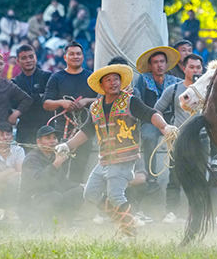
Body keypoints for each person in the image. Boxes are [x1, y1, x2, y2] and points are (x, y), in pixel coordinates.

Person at [57, 63, 178, 237]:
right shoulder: (96, 107)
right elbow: (86, 131)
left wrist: (165, 127)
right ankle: (125, 221)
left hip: (124, 158)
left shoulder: (130, 101)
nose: (113, 83)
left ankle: (130, 231)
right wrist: (67, 145)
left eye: (116, 79)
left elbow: (151, 114)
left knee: (115, 196)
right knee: (90, 193)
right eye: (109, 80)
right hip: (104, 159)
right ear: (101, 85)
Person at [155, 54, 204, 223]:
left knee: (200, 176)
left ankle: (197, 212)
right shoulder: (174, 89)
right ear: (184, 69)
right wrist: (165, 128)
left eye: (198, 67)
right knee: (174, 176)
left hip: (202, 138)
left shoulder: (208, 90)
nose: (195, 70)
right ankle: (172, 212)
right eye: (191, 67)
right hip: (179, 138)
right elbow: (157, 110)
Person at [42, 42, 94, 182]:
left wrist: (86, 101)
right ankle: (59, 197)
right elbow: (46, 104)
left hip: (85, 129)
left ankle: (74, 199)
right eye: (71, 54)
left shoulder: (92, 78)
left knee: (79, 167)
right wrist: (61, 102)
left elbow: (102, 101)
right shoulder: (56, 78)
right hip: (62, 129)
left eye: (78, 54)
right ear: (65, 57)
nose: (75, 56)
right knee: (60, 165)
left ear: (83, 57)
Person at [134, 46, 181, 193]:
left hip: (171, 120)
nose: (159, 65)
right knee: (148, 136)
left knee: (181, 138)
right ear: (150, 66)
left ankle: (178, 176)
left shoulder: (175, 81)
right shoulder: (143, 80)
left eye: (162, 62)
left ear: (167, 64)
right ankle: (151, 177)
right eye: (155, 62)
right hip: (149, 120)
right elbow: (138, 102)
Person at [19, 125, 84, 227]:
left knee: (79, 191)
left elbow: (62, 183)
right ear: (38, 142)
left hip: (52, 196)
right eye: (48, 138)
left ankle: (65, 224)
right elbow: (39, 183)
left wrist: (81, 185)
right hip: (32, 202)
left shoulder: (54, 156)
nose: (53, 141)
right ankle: (39, 225)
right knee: (55, 196)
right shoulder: (32, 158)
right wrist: (56, 164)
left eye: (54, 138)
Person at [13, 44, 53, 148]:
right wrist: (38, 96)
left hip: (46, 127)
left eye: (31, 57)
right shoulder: (14, 82)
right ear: (18, 61)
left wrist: (26, 100)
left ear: (35, 57)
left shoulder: (47, 77)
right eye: (24, 58)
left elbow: (50, 99)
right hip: (24, 130)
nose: (28, 60)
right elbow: (14, 104)